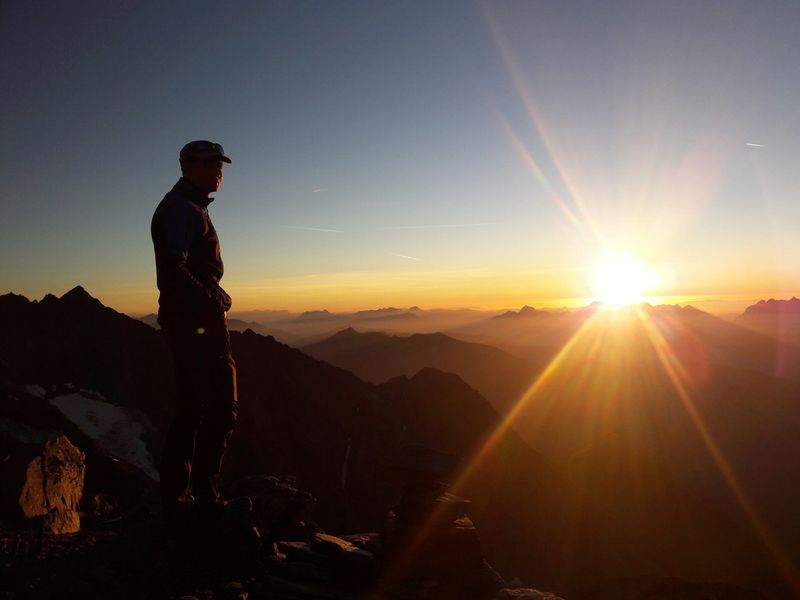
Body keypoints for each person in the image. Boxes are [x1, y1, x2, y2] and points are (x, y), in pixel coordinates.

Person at [151, 140, 238, 527]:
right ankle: (204, 498)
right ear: (187, 166)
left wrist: (211, 295)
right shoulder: (181, 209)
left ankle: (178, 500)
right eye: (209, 163)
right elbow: (173, 270)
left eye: (220, 163)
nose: (218, 170)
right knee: (220, 409)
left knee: (191, 410)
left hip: (186, 322)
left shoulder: (188, 207)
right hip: (196, 326)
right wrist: (212, 300)